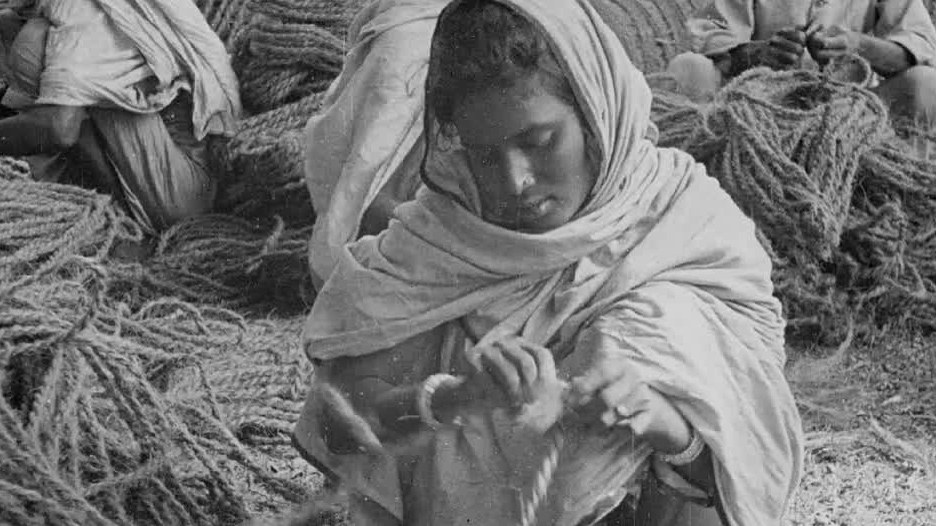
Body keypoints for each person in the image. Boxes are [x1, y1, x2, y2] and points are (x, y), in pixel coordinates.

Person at [293, 1, 805, 525]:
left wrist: (659, 419)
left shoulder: (684, 223)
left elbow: (747, 464)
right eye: (485, 154)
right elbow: (339, 422)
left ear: (595, 113)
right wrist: (454, 397)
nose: (515, 181)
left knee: (656, 328)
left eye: (539, 142)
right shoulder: (439, 241)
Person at [0, 0, 241, 234]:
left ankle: (111, 202)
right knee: (14, 30)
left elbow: (60, 129)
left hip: (179, 194)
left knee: (34, 45)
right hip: (183, 161)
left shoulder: (77, 12)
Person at [666, 0, 936, 153]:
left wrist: (859, 46)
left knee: (927, 84)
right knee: (688, 68)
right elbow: (709, 31)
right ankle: (698, 187)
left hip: (850, 120)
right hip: (757, 114)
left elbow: (921, 44)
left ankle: (896, 198)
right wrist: (757, 54)